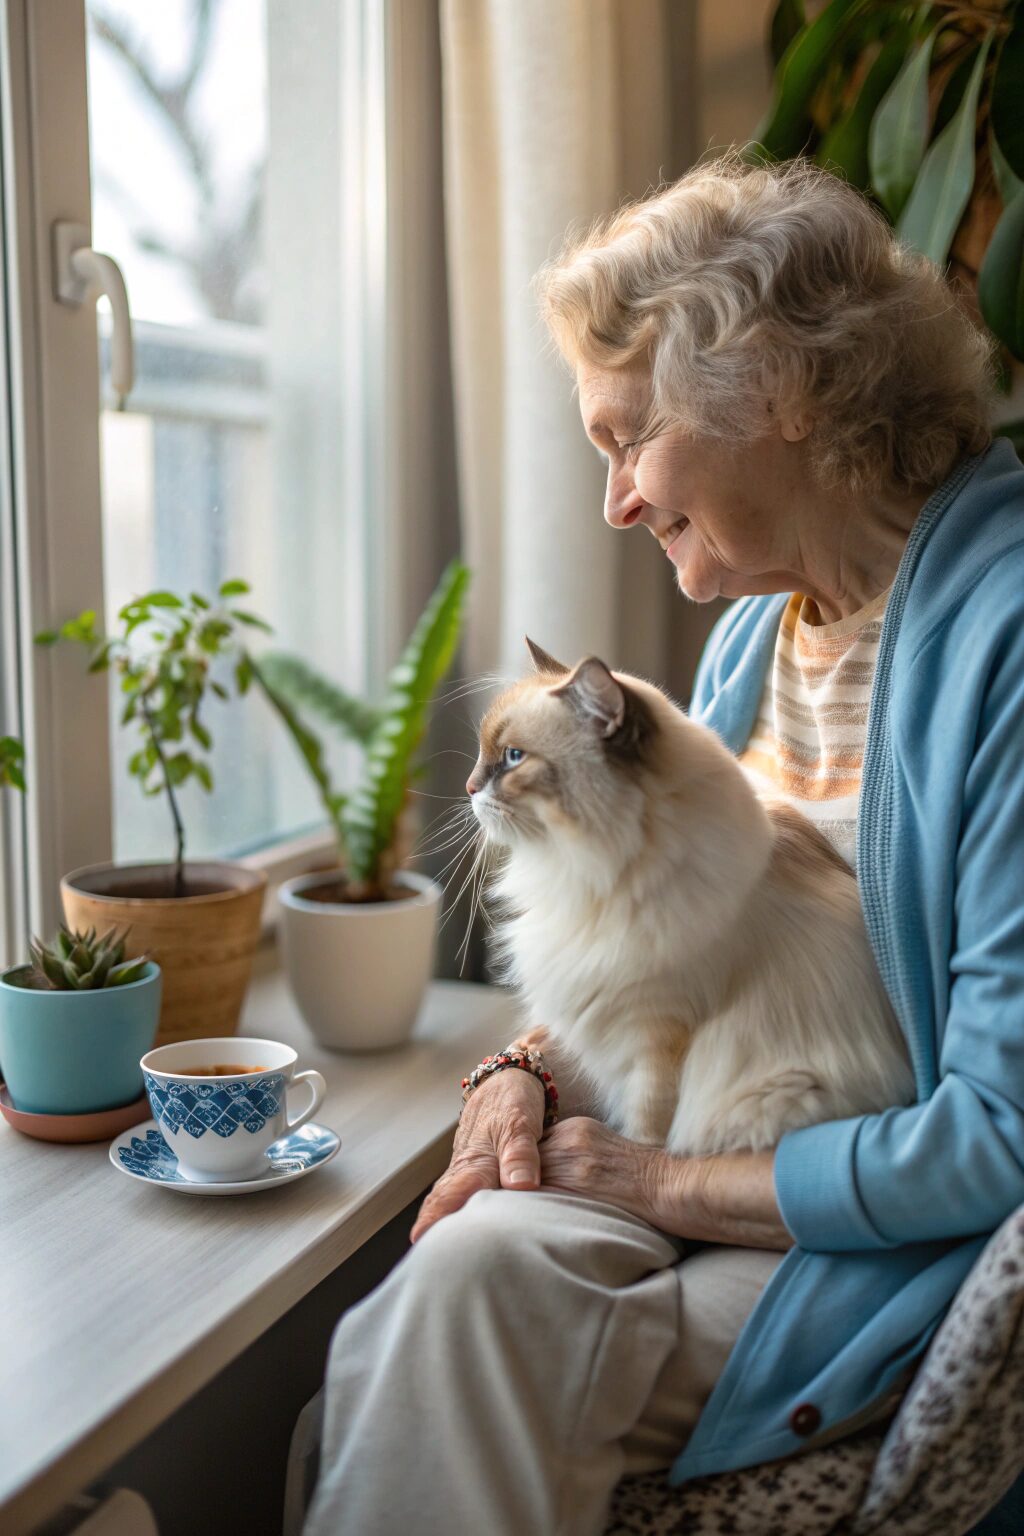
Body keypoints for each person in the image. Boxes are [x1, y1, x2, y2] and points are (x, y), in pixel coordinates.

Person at [302, 154, 1024, 1536]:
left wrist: (661, 1181)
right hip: (719, 1144)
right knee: (415, 1311)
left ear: (779, 389)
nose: (619, 501)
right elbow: (684, 964)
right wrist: (521, 1066)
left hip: (880, 1242)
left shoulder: (1004, 639)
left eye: (628, 438)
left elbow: (998, 1135)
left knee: (466, 1309)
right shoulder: (763, 630)